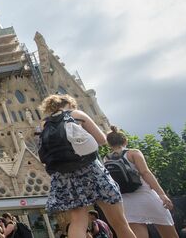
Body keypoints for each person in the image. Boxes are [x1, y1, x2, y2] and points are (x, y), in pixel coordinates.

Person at [38, 95, 136, 238]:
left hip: (65, 176)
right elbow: (102, 140)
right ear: (69, 104)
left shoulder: (45, 124)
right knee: (119, 223)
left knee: (77, 221)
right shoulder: (76, 114)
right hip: (90, 170)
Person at [105, 127, 177, 238]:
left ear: (109, 144)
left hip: (127, 202)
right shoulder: (133, 153)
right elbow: (145, 173)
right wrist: (161, 194)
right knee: (170, 235)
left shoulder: (106, 159)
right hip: (146, 196)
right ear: (125, 141)